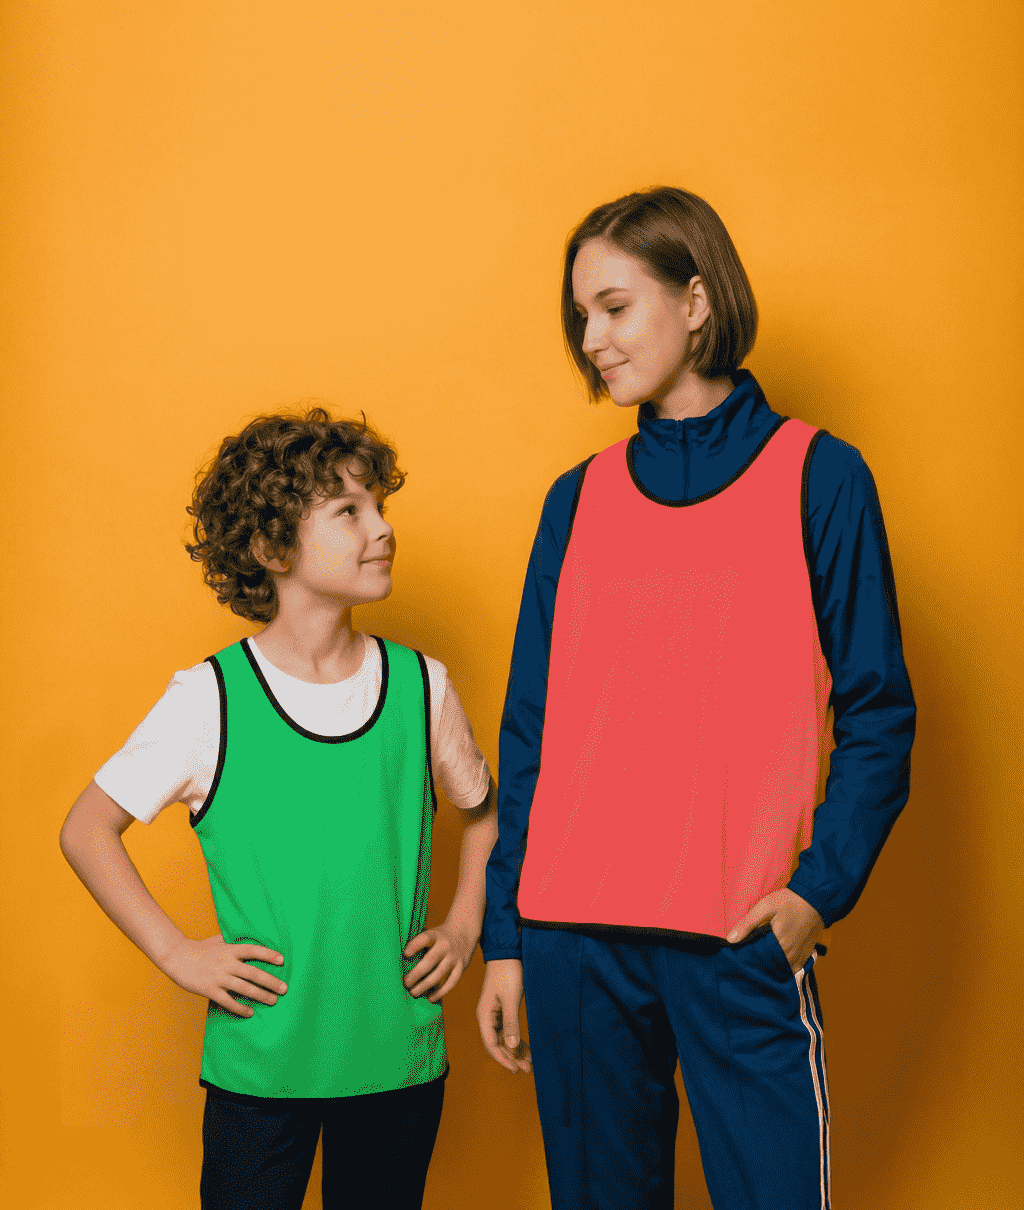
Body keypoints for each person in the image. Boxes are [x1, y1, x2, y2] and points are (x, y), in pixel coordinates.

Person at [476, 188, 916, 1210]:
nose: (591, 339)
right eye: (580, 315)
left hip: (736, 937)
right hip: (573, 940)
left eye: (614, 307)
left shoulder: (819, 477)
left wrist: (817, 891)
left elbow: (878, 713)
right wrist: (506, 937)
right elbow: (531, 729)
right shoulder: (576, 497)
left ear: (697, 299)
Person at [60, 408, 497, 1210]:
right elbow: (87, 830)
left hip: (397, 1064)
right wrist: (175, 953)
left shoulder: (422, 688)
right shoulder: (209, 699)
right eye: (349, 512)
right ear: (271, 548)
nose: (382, 528)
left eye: (379, 507)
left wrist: (467, 926)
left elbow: (484, 814)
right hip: (261, 1069)